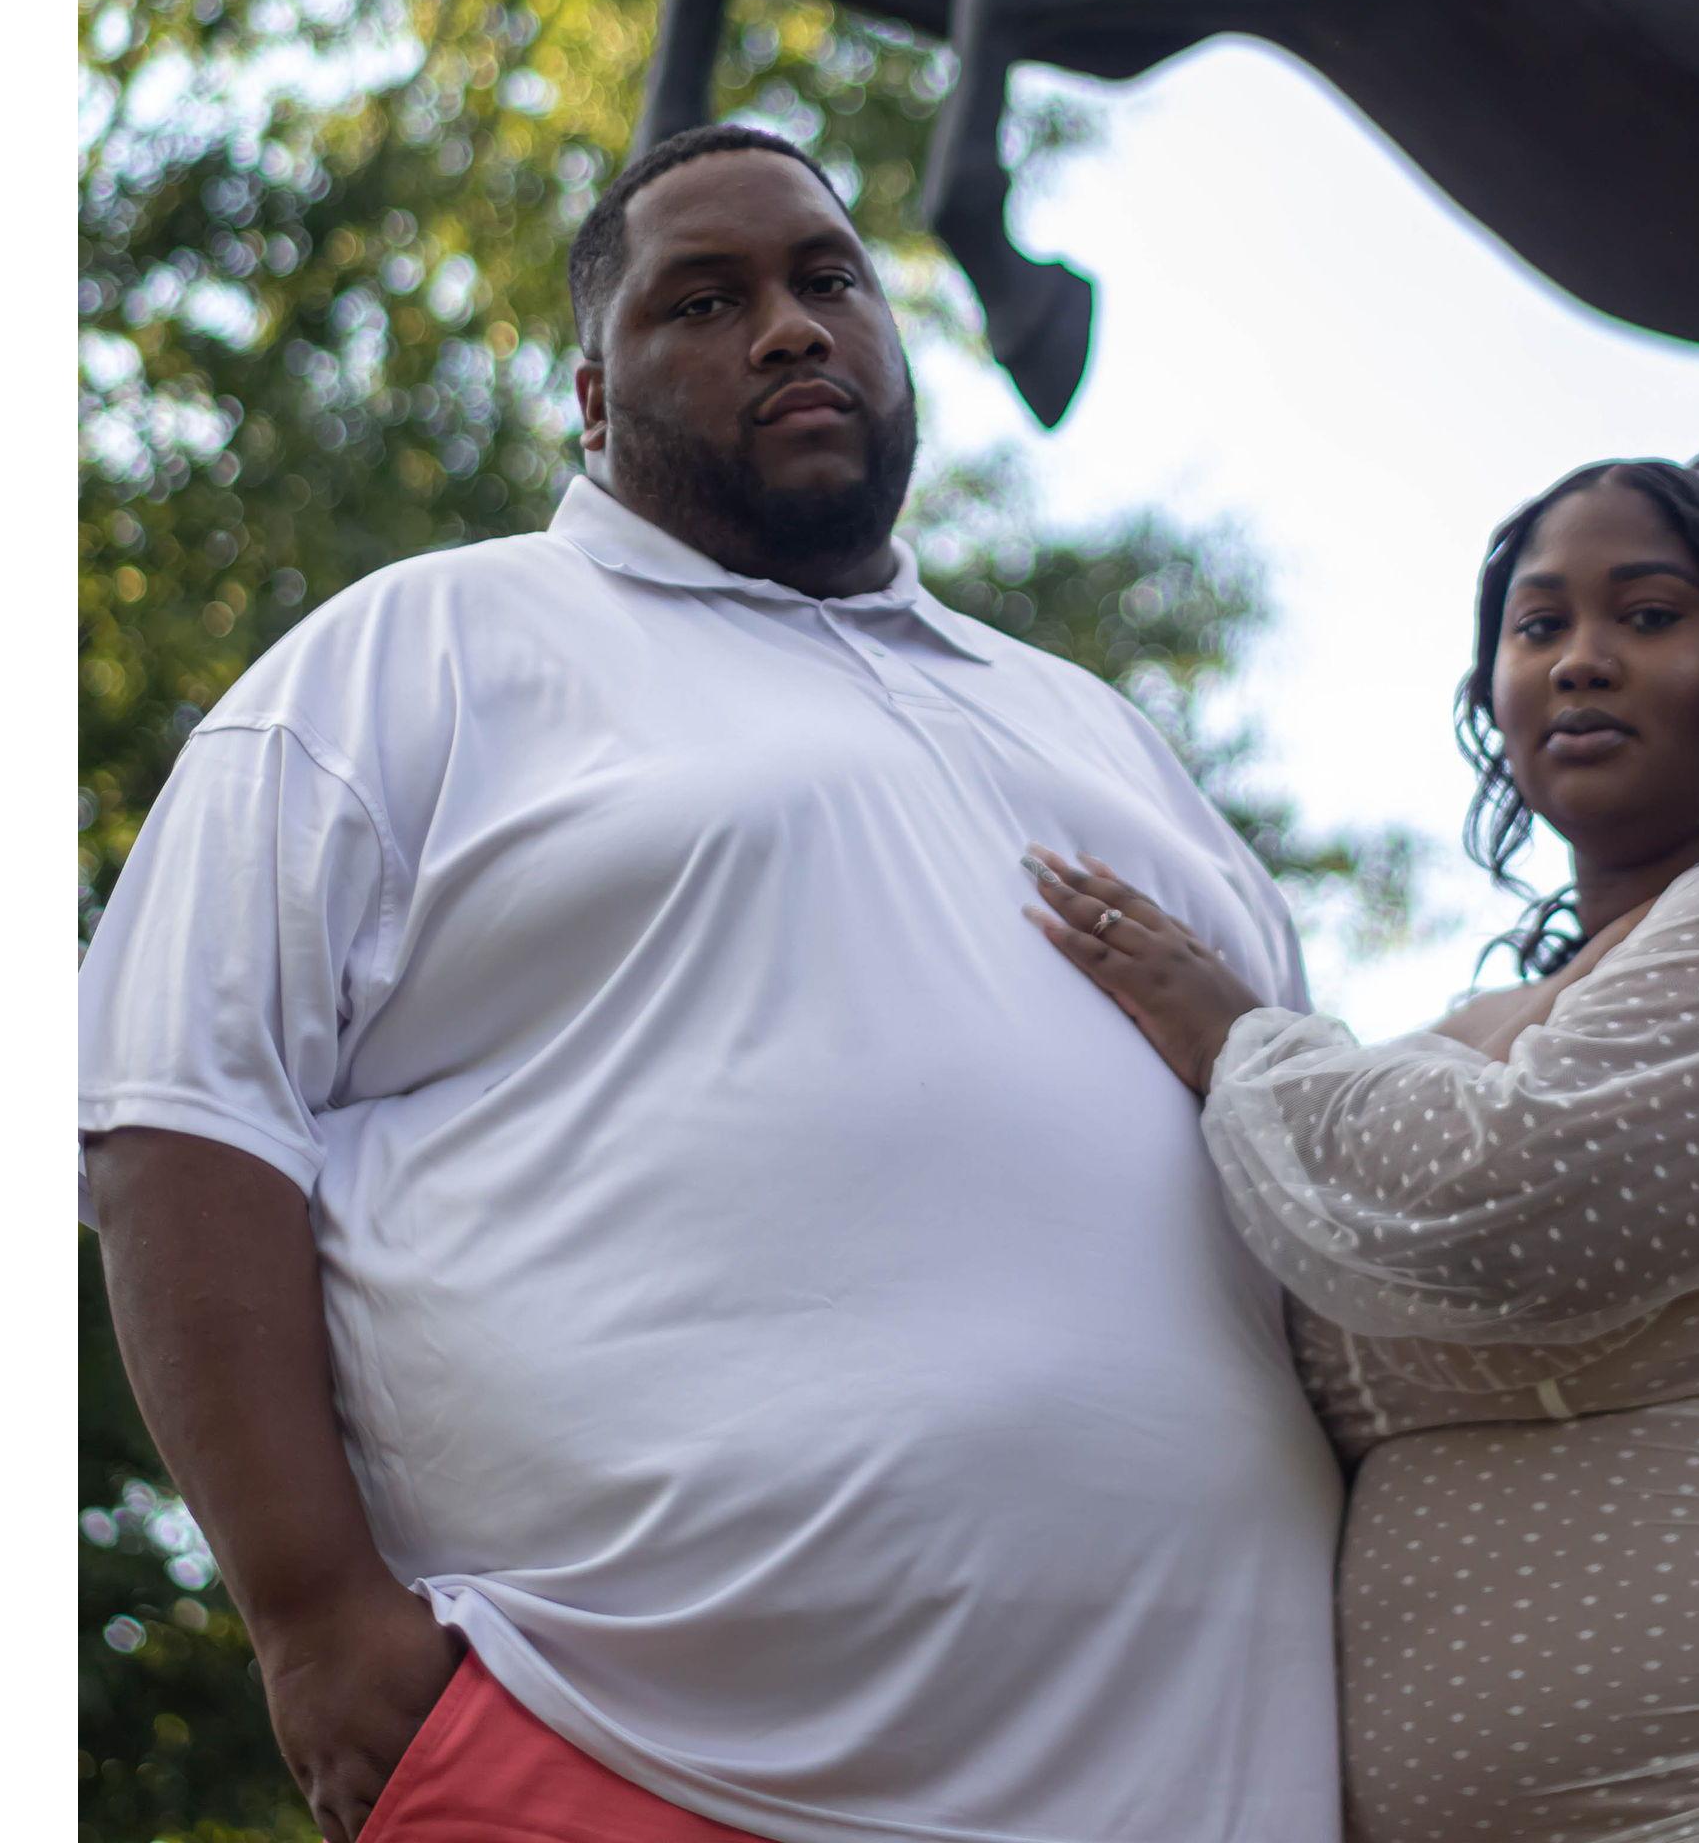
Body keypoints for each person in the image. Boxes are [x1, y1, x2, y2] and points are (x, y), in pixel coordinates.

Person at [80, 125, 1345, 1843]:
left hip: (1217, 1788)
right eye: (707, 298)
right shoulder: (425, 647)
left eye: (830, 280)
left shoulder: (1099, 730)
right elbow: (179, 1119)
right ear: (593, 402)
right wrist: (315, 1622)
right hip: (623, 1764)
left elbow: (1323, 1181)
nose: (792, 327)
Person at [1025, 448, 1699, 1842]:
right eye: (1538, 624)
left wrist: (1237, 1037)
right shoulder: (1465, 1033)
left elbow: (1494, 1211)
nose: (1580, 660)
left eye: (1645, 614)